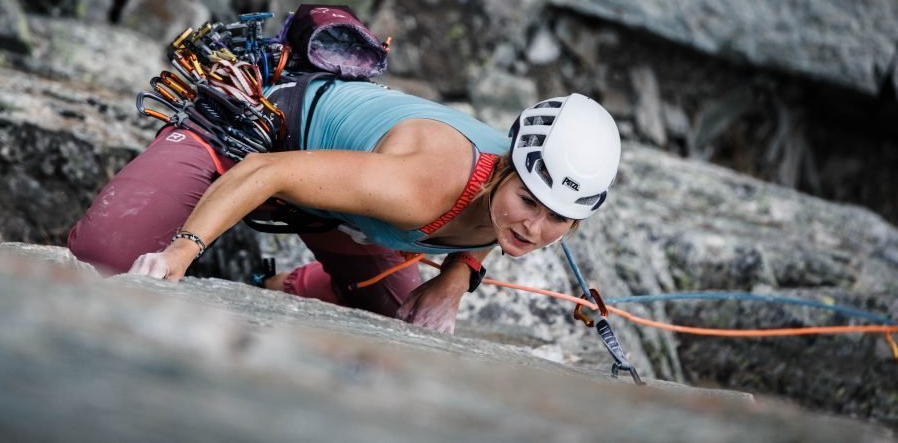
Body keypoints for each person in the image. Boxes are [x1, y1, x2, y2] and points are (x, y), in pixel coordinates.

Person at [68, 76, 621, 334]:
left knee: (407, 321)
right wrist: (180, 254)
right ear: (504, 169)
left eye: (560, 218)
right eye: (529, 201)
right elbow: (268, 171)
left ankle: (279, 286)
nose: (537, 226)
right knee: (105, 259)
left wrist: (456, 278)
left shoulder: (515, 208)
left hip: (334, 201)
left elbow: (502, 227)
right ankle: (186, 241)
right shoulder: (422, 186)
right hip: (257, 136)